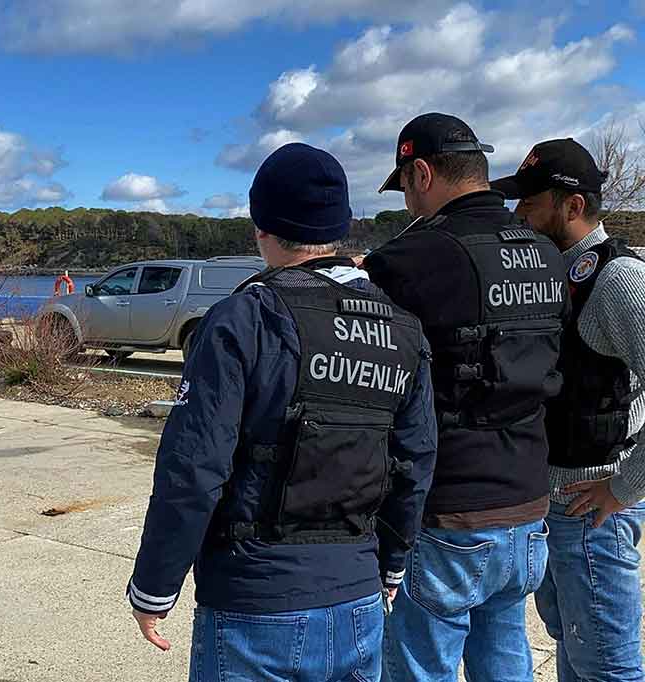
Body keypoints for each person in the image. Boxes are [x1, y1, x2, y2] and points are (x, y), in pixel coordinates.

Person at [126, 142, 437, 681]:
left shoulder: (243, 319)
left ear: (261, 228)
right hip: (358, 591)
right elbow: (414, 460)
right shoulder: (402, 328)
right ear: (341, 226)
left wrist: (155, 585)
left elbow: (194, 469)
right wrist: (392, 562)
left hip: (256, 601)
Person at [362, 113, 569, 682]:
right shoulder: (548, 253)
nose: (407, 203)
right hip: (529, 506)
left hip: (451, 510)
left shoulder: (407, 259)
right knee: (505, 660)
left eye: (404, 186)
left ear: (421, 173)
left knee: (417, 667)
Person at [492, 138, 645, 682]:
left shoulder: (620, 281)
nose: (518, 215)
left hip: (594, 504)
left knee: (607, 665)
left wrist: (623, 489)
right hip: (556, 503)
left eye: (529, 204)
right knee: (577, 658)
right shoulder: (558, 277)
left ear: (571, 206)